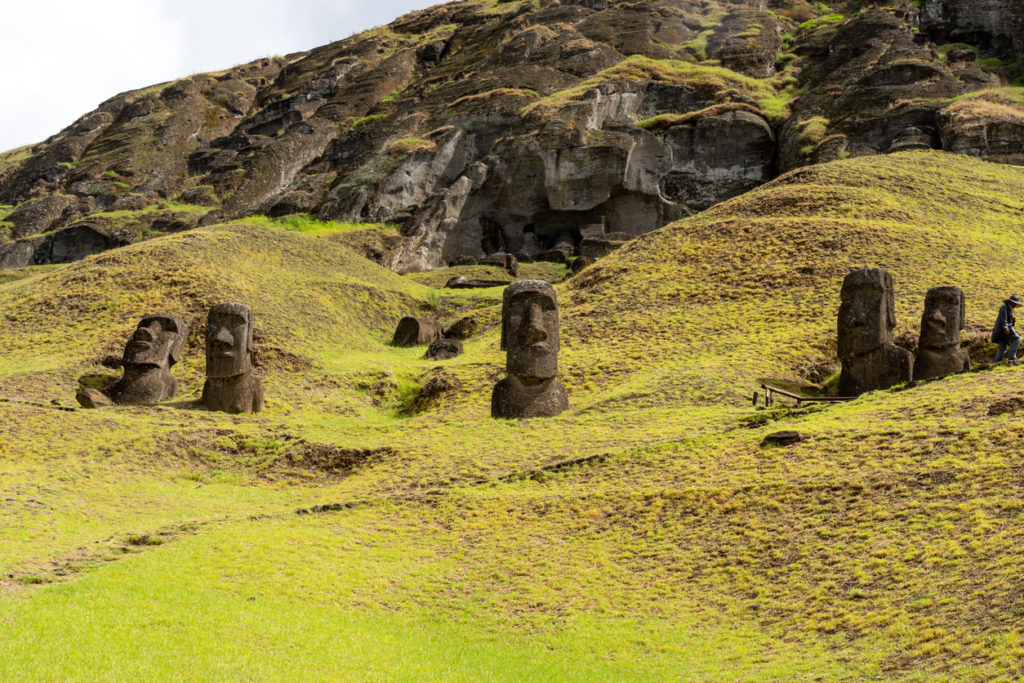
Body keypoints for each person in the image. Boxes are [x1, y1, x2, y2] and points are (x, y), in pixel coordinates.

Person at [992, 294, 1022, 362]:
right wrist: (1006, 328)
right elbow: (1003, 319)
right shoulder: (1004, 307)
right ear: (1011, 302)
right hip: (1004, 329)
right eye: (1014, 303)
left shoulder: (1008, 308)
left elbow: (1006, 320)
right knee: (1017, 339)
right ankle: (1012, 356)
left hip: (1000, 331)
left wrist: (1013, 322)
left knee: (1003, 347)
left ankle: (996, 363)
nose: (1015, 305)